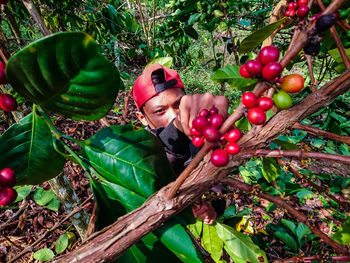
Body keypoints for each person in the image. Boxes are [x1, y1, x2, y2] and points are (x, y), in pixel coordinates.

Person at [132, 63, 229, 224]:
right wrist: (177, 128)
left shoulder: (201, 136)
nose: (173, 115)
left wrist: (213, 206)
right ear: (142, 118)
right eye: (160, 111)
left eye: (178, 104)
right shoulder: (138, 150)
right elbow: (162, 156)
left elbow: (217, 180)